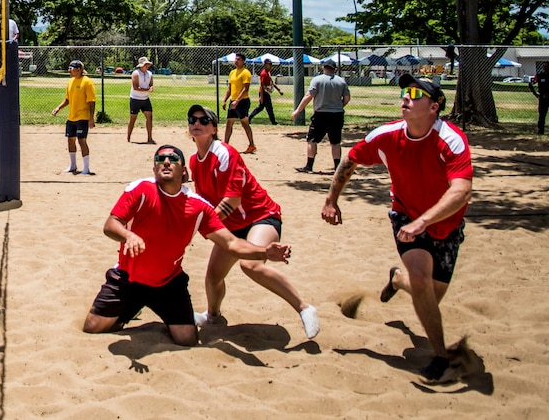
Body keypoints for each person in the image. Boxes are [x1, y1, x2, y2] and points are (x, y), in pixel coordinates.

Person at [321, 74, 472, 384]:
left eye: (416, 93)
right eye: (405, 90)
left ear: (434, 107)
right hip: (405, 216)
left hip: (446, 225)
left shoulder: (451, 140)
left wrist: (425, 221)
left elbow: (461, 192)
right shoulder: (386, 136)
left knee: (428, 291)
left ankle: (396, 279)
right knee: (421, 279)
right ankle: (441, 355)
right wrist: (331, 200)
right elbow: (350, 159)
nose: (406, 96)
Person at [83, 144, 292, 346]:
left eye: (173, 159)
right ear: (154, 168)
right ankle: (131, 308)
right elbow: (110, 225)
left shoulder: (199, 206)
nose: (166, 162)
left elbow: (231, 243)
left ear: (184, 171)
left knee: (187, 339)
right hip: (129, 278)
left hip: (168, 282)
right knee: (92, 327)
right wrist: (128, 236)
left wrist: (264, 251)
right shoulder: (140, 189)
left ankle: (170, 313)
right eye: (160, 159)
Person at [185, 104, 320, 339]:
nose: (197, 123)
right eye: (192, 119)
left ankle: (304, 308)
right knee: (213, 277)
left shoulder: (224, 153)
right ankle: (213, 316)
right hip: (232, 225)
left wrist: (207, 225)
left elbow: (233, 200)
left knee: (251, 265)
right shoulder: (195, 161)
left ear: (214, 128)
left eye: (203, 120)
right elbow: (204, 202)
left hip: (261, 216)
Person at [290, 58, 351, 173]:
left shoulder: (317, 80)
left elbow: (309, 96)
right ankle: (337, 167)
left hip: (321, 115)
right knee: (335, 142)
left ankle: (309, 166)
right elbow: (347, 98)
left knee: (312, 140)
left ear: (323, 68)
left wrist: (297, 111)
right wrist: (339, 106)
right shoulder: (341, 81)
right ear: (335, 69)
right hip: (337, 115)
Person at [51, 59, 97, 175]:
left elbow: (92, 101)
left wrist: (91, 118)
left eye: (71, 68)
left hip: (82, 116)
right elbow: (67, 99)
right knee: (70, 140)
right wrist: (58, 108)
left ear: (79, 69)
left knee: (82, 141)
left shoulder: (87, 82)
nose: (69, 70)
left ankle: (86, 168)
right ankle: (73, 165)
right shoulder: (70, 81)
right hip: (71, 117)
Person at [222, 53, 257, 154]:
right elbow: (230, 88)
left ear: (243, 61)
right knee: (229, 123)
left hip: (242, 101)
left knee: (244, 123)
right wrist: (225, 100)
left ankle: (252, 145)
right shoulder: (232, 72)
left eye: (238, 59)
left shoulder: (246, 72)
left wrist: (237, 101)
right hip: (233, 101)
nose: (236, 61)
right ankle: (226, 145)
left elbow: (246, 89)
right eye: (235, 59)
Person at [126, 56, 155, 144]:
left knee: (149, 117)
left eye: (147, 64)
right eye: (145, 64)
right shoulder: (136, 73)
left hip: (145, 99)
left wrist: (151, 87)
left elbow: (151, 84)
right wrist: (147, 90)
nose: (147, 66)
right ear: (141, 65)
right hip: (135, 99)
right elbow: (136, 87)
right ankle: (128, 137)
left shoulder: (149, 74)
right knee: (133, 118)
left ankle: (149, 138)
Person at [248, 58, 283, 125]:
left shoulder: (268, 73)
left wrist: (279, 90)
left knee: (261, 107)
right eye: (269, 64)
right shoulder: (263, 74)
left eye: (271, 64)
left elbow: (272, 82)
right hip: (263, 92)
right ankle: (273, 122)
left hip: (265, 92)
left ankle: (249, 118)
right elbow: (262, 85)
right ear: (265, 65)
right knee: (268, 107)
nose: (270, 66)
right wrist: (261, 96)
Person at [531, 62, 549, 135]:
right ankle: (540, 131)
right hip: (543, 98)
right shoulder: (540, 76)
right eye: (545, 67)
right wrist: (535, 94)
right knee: (542, 115)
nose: (546, 68)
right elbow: (531, 84)